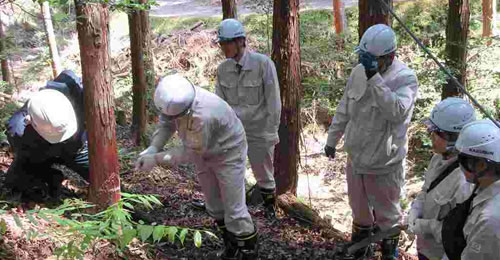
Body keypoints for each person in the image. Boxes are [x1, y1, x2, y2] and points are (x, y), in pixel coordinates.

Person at [135, 74, 258, 259]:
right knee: (214, 205)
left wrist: (156, 159)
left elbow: (189, 153)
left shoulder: (204, 115)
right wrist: (153, 148)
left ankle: (248, 252)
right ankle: (231, 249)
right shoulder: (173, 94)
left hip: (228, 152)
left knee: (235, 211)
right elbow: (166, 123)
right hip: (203, 150)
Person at [325, 24, 418, 259]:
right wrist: (332, 138)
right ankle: (361, 250)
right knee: (359, 212)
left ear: (390, 56)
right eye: (364, 58)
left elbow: (396, 112)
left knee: (388, 215)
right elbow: (345, 107)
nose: (366, 63)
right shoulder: (358, 71)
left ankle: (389, 252)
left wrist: (375, 78)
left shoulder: (405, 78)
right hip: (356, 158)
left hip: (384, 163)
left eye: (373, 60)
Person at [211, 18, 281, 217]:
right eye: (221, 43)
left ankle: (270, 210)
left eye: (227, 43)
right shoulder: (223, 70)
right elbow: (219, 105)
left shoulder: (263, 64)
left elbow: (274, 101)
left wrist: (271, 131)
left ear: (241, 41)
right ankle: (236, 209)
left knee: (264, 174)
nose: (224, 48)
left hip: (260, 130)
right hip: (233, 132)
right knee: (232, 172)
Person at [407, 98, 476, 260]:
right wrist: (415, 210)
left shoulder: (464, 179)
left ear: (454, 138)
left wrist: (425, 226)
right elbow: (426, 190)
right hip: (425, 248)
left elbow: (460, 231)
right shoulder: (437, 159)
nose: (431, 135)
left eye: (436, 132)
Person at [4, 70, 88, 199]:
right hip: (42, 153)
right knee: (14, 185)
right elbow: (26, 156)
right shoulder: (18, 130)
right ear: (31, 122)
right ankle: (50, 174)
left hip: (76, 149)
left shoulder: (73, 88)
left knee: (102, 177)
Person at [441, 120, 500, 260]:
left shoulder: (490, 219)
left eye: (461, 159)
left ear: (480, 165)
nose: (459, 165)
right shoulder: (481, 188)